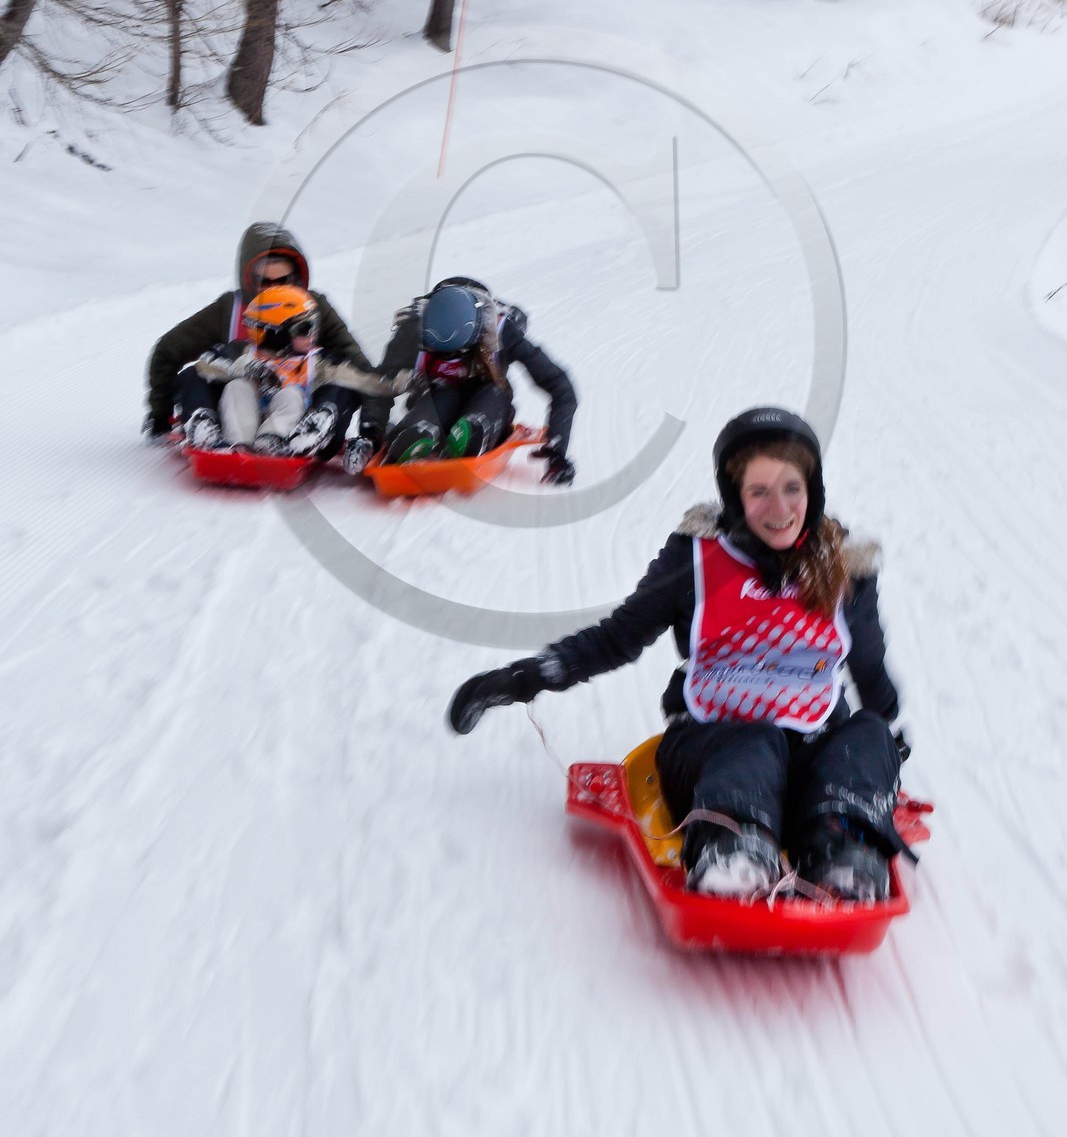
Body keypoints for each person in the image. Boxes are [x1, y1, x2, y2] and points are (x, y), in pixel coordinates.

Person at [447, 406, 911, 904]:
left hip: (812, 746)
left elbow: (871, 676)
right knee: (753, 743)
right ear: (735, 497)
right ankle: (732, 850)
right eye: (759, 491)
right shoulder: (696, 558)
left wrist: (878, 752)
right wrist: (528, 676)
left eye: (791, 488)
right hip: (715, 748)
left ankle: (842, 852)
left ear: (812, 490)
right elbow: (617, 638)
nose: (779, 507)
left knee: (866, 734)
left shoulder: (847, 569)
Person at [143, 222, 377, 460]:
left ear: (295, 278)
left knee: (343, 382)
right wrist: (160, 414)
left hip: (298, 411)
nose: (274, 288)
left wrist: (373, 429)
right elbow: (168, 351)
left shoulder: (312, 308)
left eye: (282, 280)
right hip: (235, 413)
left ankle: (316, 428)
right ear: (249, 280)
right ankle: (203, 424)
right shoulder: (230, 310)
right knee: (196, 375)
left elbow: (359, 367)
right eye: (265, 281)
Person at [343, 277, 578, 484]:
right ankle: (416, 433)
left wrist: (557, 446)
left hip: (490, 395)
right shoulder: (413, 329)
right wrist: (370, 433)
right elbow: (380, 384)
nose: (450, 359)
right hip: (437, 393)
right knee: (436, 402)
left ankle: (473, 431)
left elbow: (559, 385)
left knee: (488, 400)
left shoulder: (502, 332)